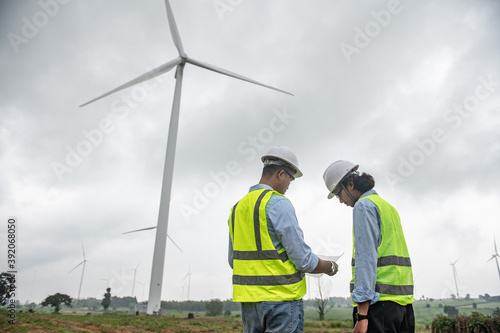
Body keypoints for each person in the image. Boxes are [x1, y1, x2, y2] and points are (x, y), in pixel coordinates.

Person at [228, 146, 339, 333]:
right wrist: (330, 267)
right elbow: (302, 259)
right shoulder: (278, 203)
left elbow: (234, 261)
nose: (289, 184)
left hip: (249, 303)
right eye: (291, 178)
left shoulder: (237, 208)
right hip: (281, 301)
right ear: (280, 174)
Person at [323, 160, 415, 333]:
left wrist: (362, 315)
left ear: (350, 184)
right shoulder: (388, 207)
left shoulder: (363, 206)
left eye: (338, 193)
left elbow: (366, 260)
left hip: (378, 307)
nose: (340, 200)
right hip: (404, 306)